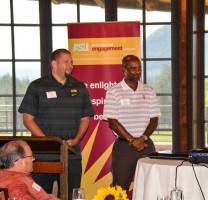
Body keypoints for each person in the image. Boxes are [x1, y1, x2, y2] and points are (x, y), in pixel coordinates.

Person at [18, 48, 95, 199]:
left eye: (72, 62)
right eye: (66, 62)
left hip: (71, 154)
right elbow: (27, 119)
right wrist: (49, 143)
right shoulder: (37, 86)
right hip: (43, 155)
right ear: (54, 63)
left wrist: (77, 140)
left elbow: (85, 118)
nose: (70, 65)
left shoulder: (80, 87)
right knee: (40, 196)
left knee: (70, 195)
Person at [103, 55, 161, 193]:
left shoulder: (149, 90)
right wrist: (131, 140)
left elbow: (154, 119)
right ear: (124, 69)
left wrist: (142, 138)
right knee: (119, 189)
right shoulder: (113, 91)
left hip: (146, 145)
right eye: (133, 68)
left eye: (139, 68)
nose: (137, 72)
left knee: (151, 186)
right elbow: (112, 122)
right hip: (124, 147)